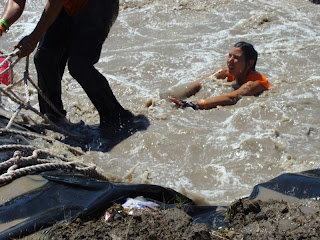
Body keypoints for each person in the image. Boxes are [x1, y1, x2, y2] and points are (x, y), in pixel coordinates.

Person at [0, 0, 134, 132]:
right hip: (66, 6)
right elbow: (16, 2)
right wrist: (1, 26)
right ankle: (54, 120)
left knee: (79, 64)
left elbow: (55, 2)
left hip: (97, 4)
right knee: (44, 58)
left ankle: (118, 119)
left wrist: (34, 38)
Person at [168, 41, 271, 110]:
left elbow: (233, 98)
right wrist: (170, 97)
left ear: (249, 63)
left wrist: (193, 104)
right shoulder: (225, 72)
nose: (230, 60)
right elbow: (201, 83)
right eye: (229, 55)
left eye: (236, 58)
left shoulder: (256, 83)